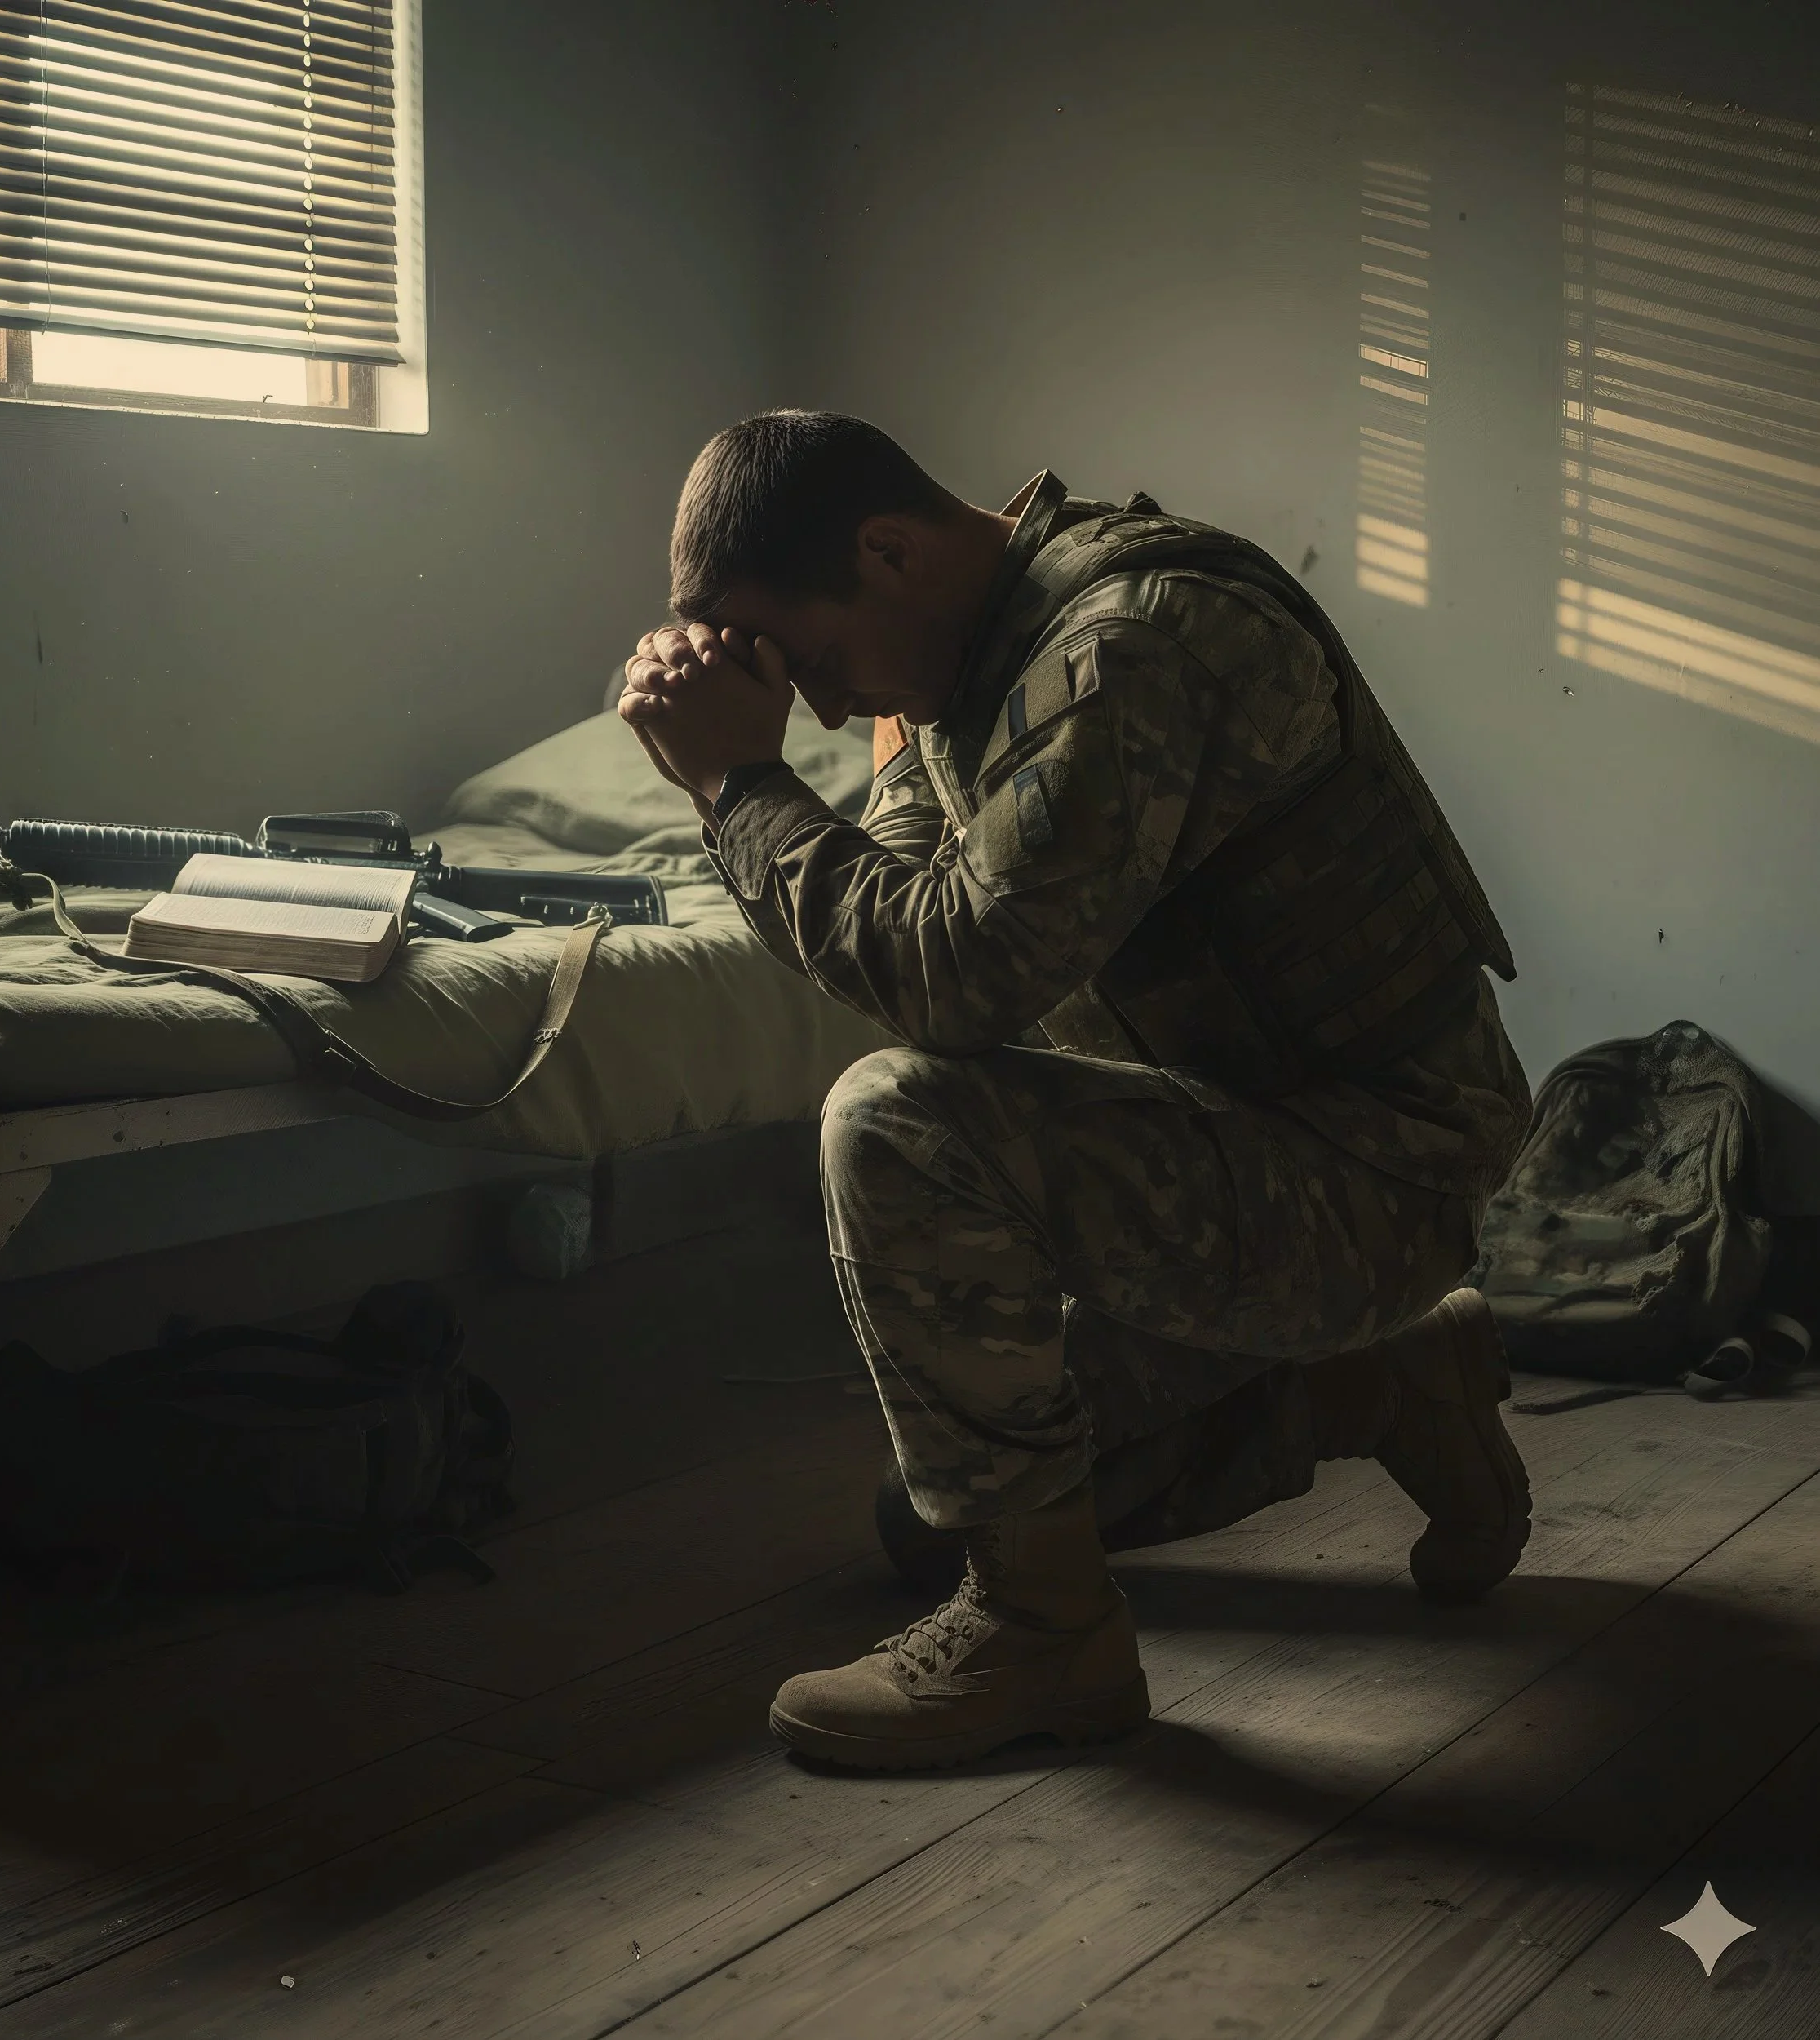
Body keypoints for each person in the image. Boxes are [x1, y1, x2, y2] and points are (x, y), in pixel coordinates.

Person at [618, 410, 1532, 1772]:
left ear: (886, 553)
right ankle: (1384, 1380)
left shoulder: (1136, 641)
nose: (822, 706)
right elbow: (891, 930)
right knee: (921, 1519)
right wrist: (720, 775)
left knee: (893, 1119)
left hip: (1371, 1175)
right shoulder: (957, 672)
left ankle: (1052, 1638)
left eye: (811, 662)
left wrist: (743, 782)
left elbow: (957, 984)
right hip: (1237, 1163)